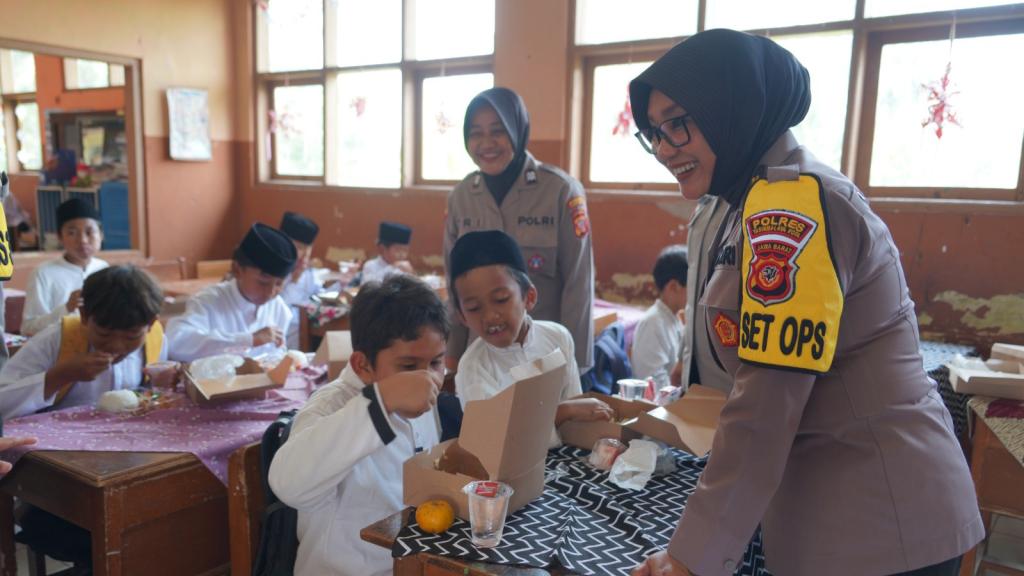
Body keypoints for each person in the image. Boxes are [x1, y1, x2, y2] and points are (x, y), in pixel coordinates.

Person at [627, 29, 982, 576]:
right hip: (838, 514)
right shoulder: (747, 201)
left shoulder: (796, 209)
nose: (665, 148)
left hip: (879, 523)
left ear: (732, 106)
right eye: (654, 132)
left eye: (678, 122)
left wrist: (690, 558)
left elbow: (767, 400)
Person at [268, 275, 448, 576]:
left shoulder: (425, 399)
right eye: (408, 367)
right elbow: (287, 484)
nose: (426, 379)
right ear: (362, 365)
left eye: (436, 363)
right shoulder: (330, 406)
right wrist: (382, 401)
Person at [444, 87, 594, 374]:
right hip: (483, 360)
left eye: (497, 130)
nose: (486, 143)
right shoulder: (461, 196)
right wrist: (452, 359)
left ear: (517, 130)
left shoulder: (559, 190)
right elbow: (454, 285)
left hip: (544, 356)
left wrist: (576, 364)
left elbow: (579, 284)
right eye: (475, 133)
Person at [450, 230, 612, 447]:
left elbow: (576, 412)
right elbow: (494, 439)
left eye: (500, 299)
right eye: (473, 308)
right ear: (462, 316)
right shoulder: (474, 368)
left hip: (568, 459)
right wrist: (562, 412)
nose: (489, 316)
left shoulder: (557, 337)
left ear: (529, 297)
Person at [0, 265, 167, 420]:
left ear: (151, 324)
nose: (117, 346)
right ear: (84, 315)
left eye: (131, 337)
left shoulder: (155, 339)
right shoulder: (56, 339)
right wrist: (58, 376)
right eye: (104, 334)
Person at [166, 223, 295, 362]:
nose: (270, 292)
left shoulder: (279, 309)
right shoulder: (208, 302)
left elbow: (276, 359)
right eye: (263, 282)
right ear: (237, 270)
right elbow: (176, 342)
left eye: (279, 284)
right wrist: (248, 339)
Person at [22, 198, 109, 336]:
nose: (83, 240)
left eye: (89, 231)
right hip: (58, 353)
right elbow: (28, 328)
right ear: (60, 237)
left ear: (101, 235)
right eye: (72, 232)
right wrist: (66, 308)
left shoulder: (104, 269)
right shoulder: (43, 273)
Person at [631, 245, 687, 390]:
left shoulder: (674, 318)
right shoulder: (653, 323)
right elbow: (654, 387)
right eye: (692, 285)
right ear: (674, 286)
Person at [278, 211, 324, 349]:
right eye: (298, 248)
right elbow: (276, 306)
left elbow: (318, 294)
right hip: (283, 324)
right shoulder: (273, 269)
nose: (303, 254)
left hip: (305, 320)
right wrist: (293, 280)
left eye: (307, 249)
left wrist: (341, 284)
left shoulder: (307, 270)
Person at [360, 221, 414, 285]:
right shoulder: (370, 266)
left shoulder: (404, 269)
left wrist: (411, 274)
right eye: (398, 249)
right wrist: (392, 267)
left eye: (405, 250)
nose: (402, 254)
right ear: (382, 248)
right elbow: (371, 287)